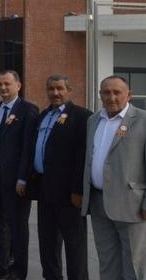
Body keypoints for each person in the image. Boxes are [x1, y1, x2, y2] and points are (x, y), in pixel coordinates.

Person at [0, 70, 39, 280]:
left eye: (7, 84)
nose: (3, 88)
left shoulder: (28, 110)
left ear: (18, 86)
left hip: (15, 181)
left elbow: (28, 148)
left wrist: (23, 178)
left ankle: (19, 271)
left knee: (17, 227)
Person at [26, 74, 90, 280]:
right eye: (51, 89)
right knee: (47, 242)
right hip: (44, 189)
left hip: (68, 194)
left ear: (69, 90)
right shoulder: (44, 115)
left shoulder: (82, 117)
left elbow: (83, 157)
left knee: (74, 245)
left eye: (60, 88)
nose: (55, 93)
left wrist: (78, 190)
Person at [82, 75, 146, 280]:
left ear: (129, 95)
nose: (111, 97)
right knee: (107, 259)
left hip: (132, 205)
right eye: (106, 92)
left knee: (134, 263)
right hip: (99, 201)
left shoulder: (143, 120)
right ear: (100, 94)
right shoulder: (93, 120)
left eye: (117, 92)